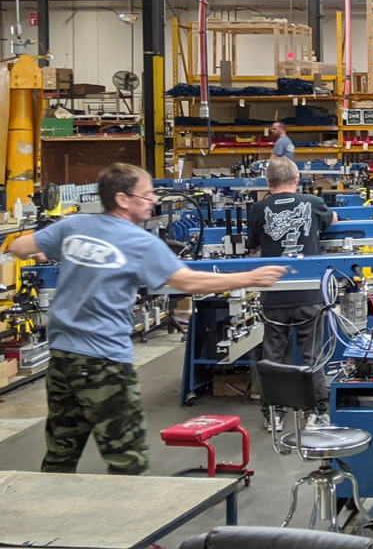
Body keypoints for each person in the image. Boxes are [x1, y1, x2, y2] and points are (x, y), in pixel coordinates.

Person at [9, 163, 286, 475]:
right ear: (123, 199)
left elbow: (19, 247)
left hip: (61, 359)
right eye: (147, 194)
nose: (153, 199)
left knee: (60, 455)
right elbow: (189, 283)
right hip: (104, 363)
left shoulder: (74, 226)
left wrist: (46, 252)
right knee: (127, 460)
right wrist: (249, 277)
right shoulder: (138, 242)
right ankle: (130, 523)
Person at [246, 157, 337, 430]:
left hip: (274, 295)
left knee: (273, 357)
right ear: (297, 180)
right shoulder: (312, 203)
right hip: (309, 294)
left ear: (267, 182)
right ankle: (315, 413)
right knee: (312, 357)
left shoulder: (258, 209)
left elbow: (252, 247)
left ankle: (273, 414)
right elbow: (332, 219)